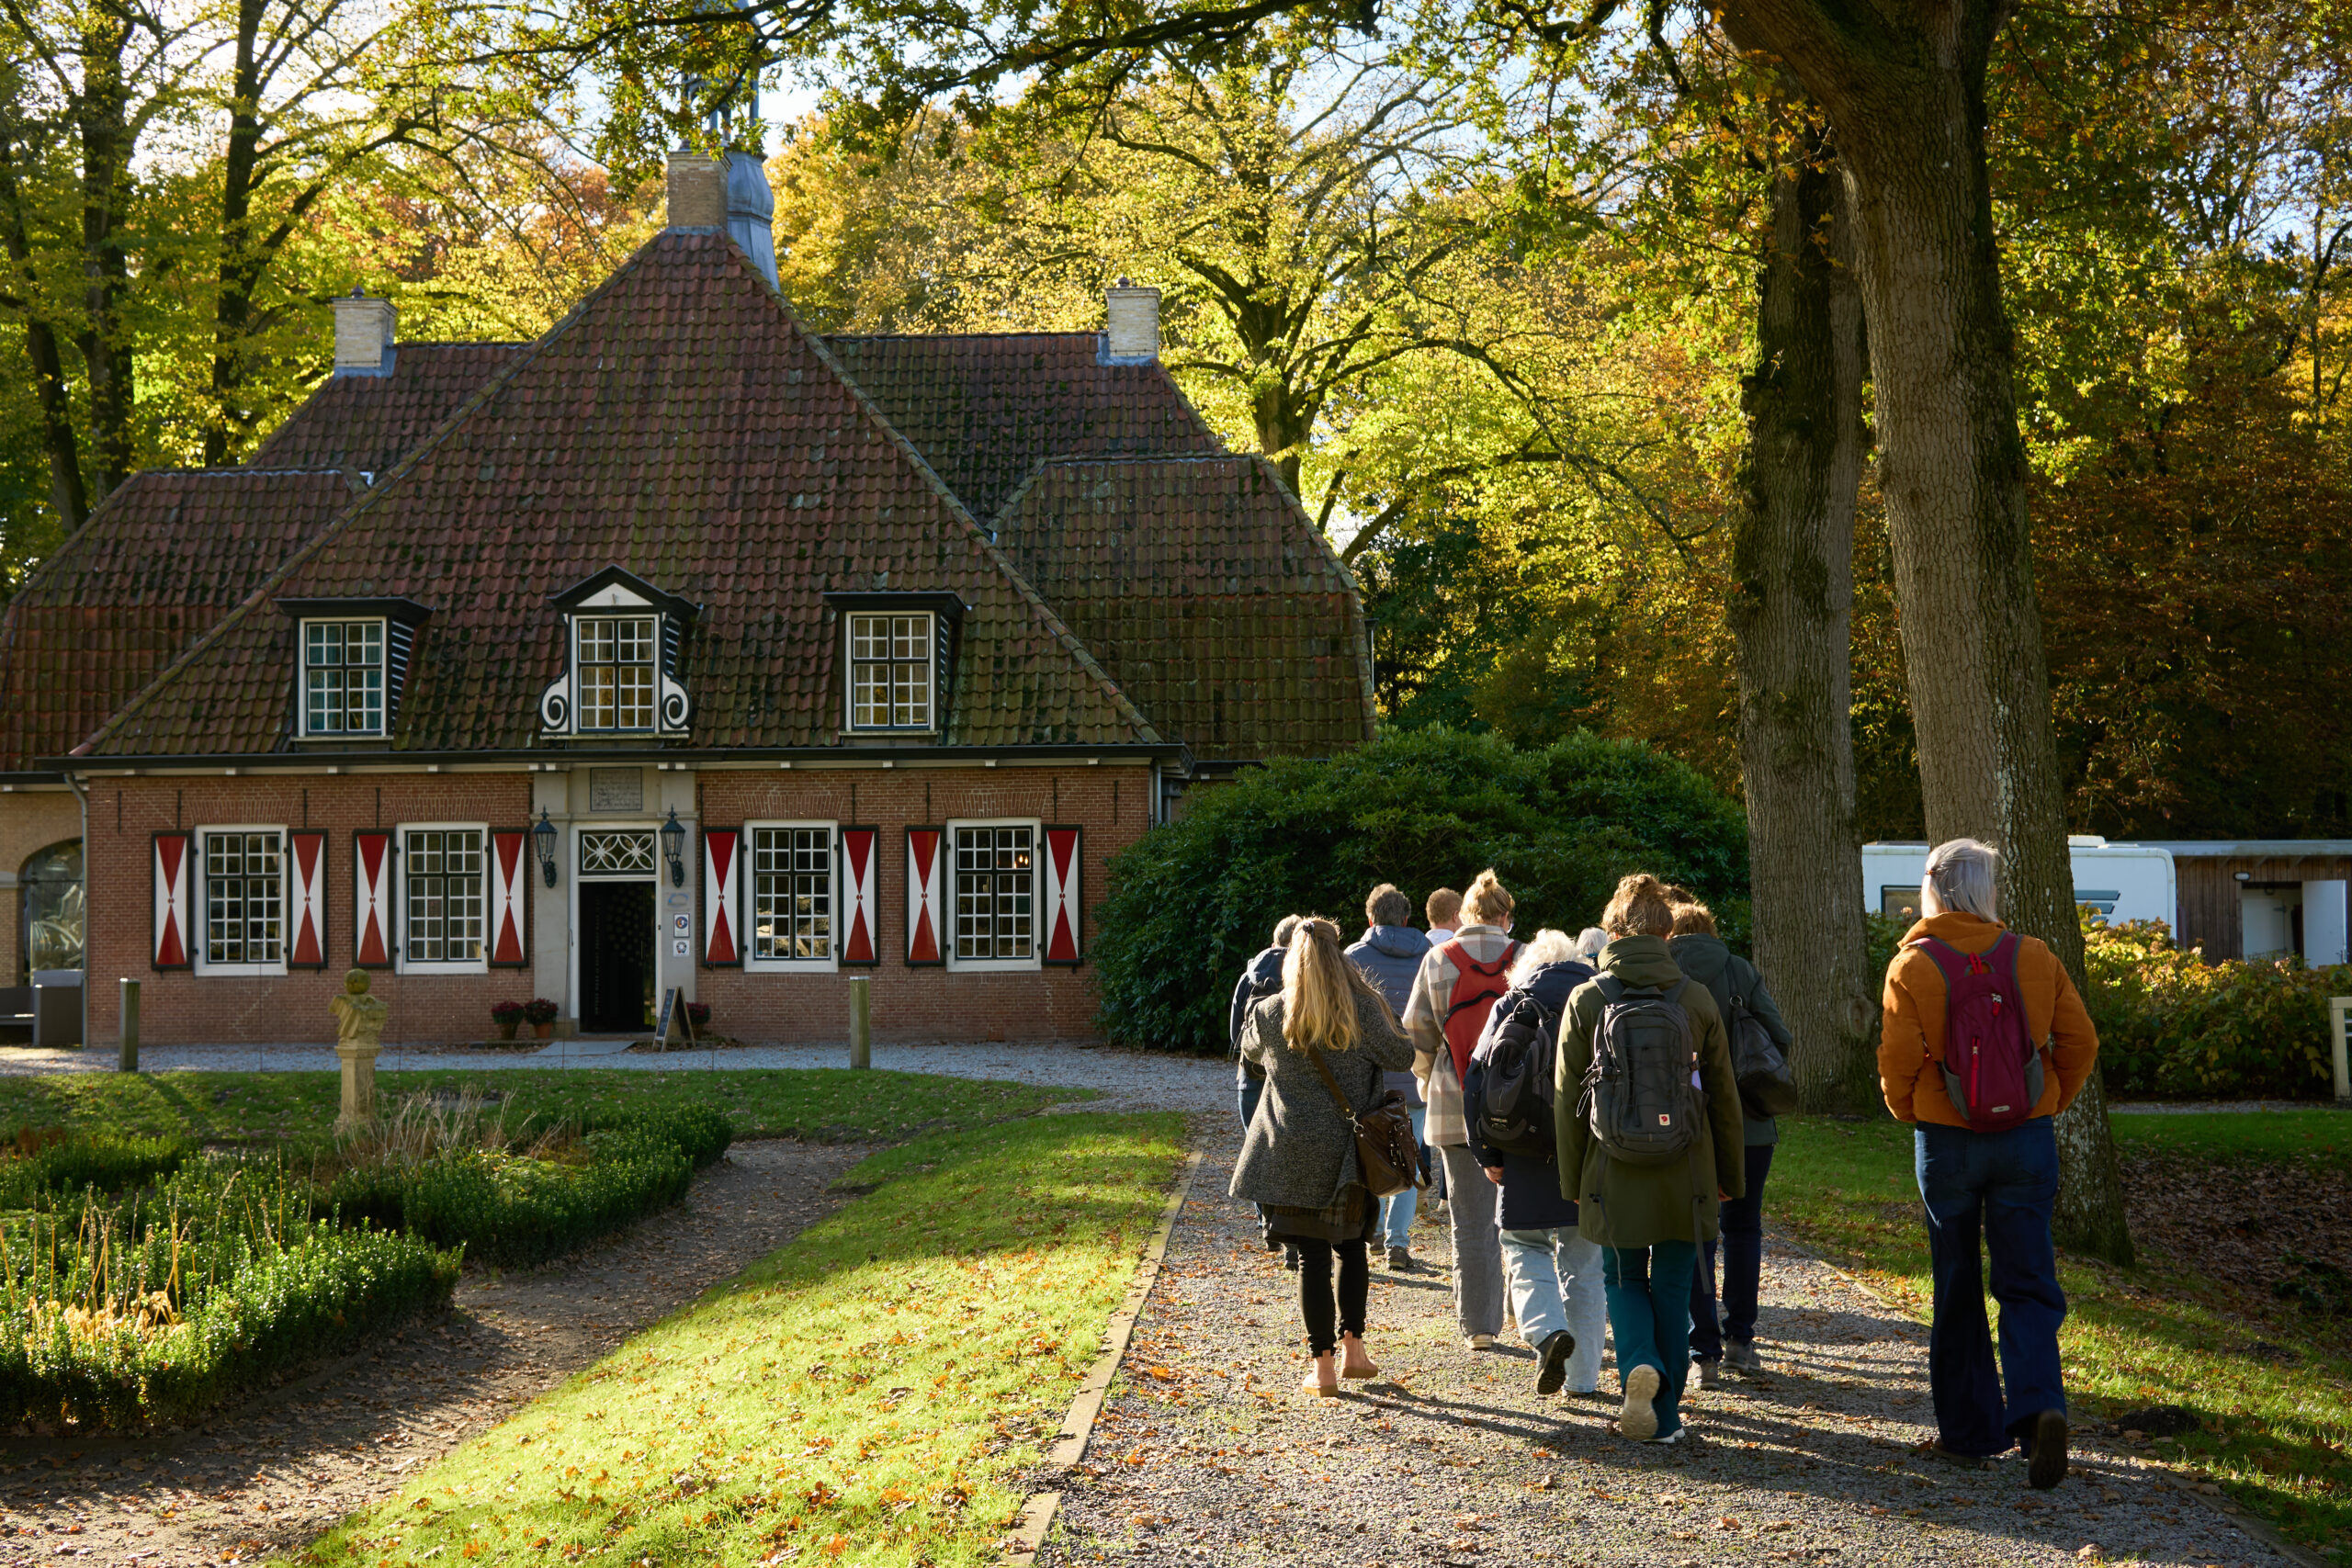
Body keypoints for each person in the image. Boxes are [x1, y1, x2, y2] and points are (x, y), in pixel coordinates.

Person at [1879, 837, 2099, 1490]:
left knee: (1955, 1279)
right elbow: (2081, 1039)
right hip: (2026, 1136)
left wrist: (1909, 1108)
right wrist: (2050, 1094)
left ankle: (1969, 1432)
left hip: (1946, 1141)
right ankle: (2038, 1410)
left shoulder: (1911, 965)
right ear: (1984, 889)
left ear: (1934, 890)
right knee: (2027, 1277)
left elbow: (1897, 1060)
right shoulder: (2032, 956)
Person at [1553, 873, 1745, 1444]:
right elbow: (1724, 1096)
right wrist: (1729, 1177)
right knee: (1674, 1283)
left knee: (1621, 1276)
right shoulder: (1695, 997)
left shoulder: (1588, 998)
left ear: (1612, 930)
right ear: (1668, 933)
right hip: (1687, 1168)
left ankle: (1641, 1362)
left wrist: (1573, 1182)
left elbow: (1565, 1099)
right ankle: (1666, 1417)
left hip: (1611, 1167)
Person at [1230, 918, 1417, 1396]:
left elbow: (1249, 1053)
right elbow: (1401, 1057)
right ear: (1341, 959)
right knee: (1353, 1247)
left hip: (1290, 1152)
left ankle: (1324, 1367)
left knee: (1312, 1256)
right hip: (1350, 1155)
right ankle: (1354, 1349)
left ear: (1292, 960)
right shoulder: (1364, 1010)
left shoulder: (1272, 1013)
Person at [1464, 929, 1605, 1397]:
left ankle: (1546, 1332)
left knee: (1524, 1247)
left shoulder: (1513, 1005)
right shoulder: (1597, 1000)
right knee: (1585, 1265)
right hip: (1586, 1153)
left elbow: (1477, 1082)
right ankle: (1584, 1380)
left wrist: (1488, 1153)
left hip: (1523, 1152)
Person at [1667, 897, 1794, 1386]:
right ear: (1711, 929)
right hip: (1749, 1125)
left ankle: (1705, 1351)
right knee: (1743, 1228)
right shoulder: (1739, 969)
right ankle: (1741, 1337)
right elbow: (1779, 1038)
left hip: (1682, 1125)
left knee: (1696, 1233)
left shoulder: (1664, 972)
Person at [1404, 869, 1521, 1349]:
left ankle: (1479, 1327)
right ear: (1506, 916)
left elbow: (1417, 1031)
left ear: (1464, 915)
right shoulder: (1525, 957)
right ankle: (1526, 1310)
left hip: (1456, 1106)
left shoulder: (1439, 958)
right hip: (1520, 1107)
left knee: (1470, 1221)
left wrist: (1427, 1076)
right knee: (1520, 1218)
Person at [1345, 886, 1431, 1270]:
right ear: (1407, 919)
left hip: (1371, 1077)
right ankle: (1399, 1241)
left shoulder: (1353, 959)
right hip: (1414, 1072)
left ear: (1370, 919)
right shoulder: (1430, 955)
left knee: (1371, 1153)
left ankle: (1374, 1230)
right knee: (1408, 1158)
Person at [1234, 915, 1303, 1266]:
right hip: (1290, 1076)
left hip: (1251, 1077)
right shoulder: (1305, 977)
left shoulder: (1250, 976)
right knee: (1290, 1153)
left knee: (1259, 1151)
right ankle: (1291, 1237)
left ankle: (1267, 1222)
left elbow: (1236, 1035)